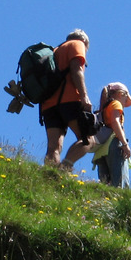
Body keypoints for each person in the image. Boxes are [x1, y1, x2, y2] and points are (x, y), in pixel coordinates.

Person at [40, 29, 96, 171]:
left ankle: (49, 179)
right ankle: (64, 170)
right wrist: (84, 96)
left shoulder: (54, 51)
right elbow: (76, 68)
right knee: (88, 140)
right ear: (85, 42)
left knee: (53, 147)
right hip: (69, 100)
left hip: (48, 104)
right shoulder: (78, 44)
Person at [91, 82, 131, 187]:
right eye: (126, 99)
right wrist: (124, 144)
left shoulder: (103, 109)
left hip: (101, 150)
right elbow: (115, 122)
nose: (125, 103)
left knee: (105, 185)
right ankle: (121, 203)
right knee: (120, 184)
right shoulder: (116, 103)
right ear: (121, 94)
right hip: (113, 144)